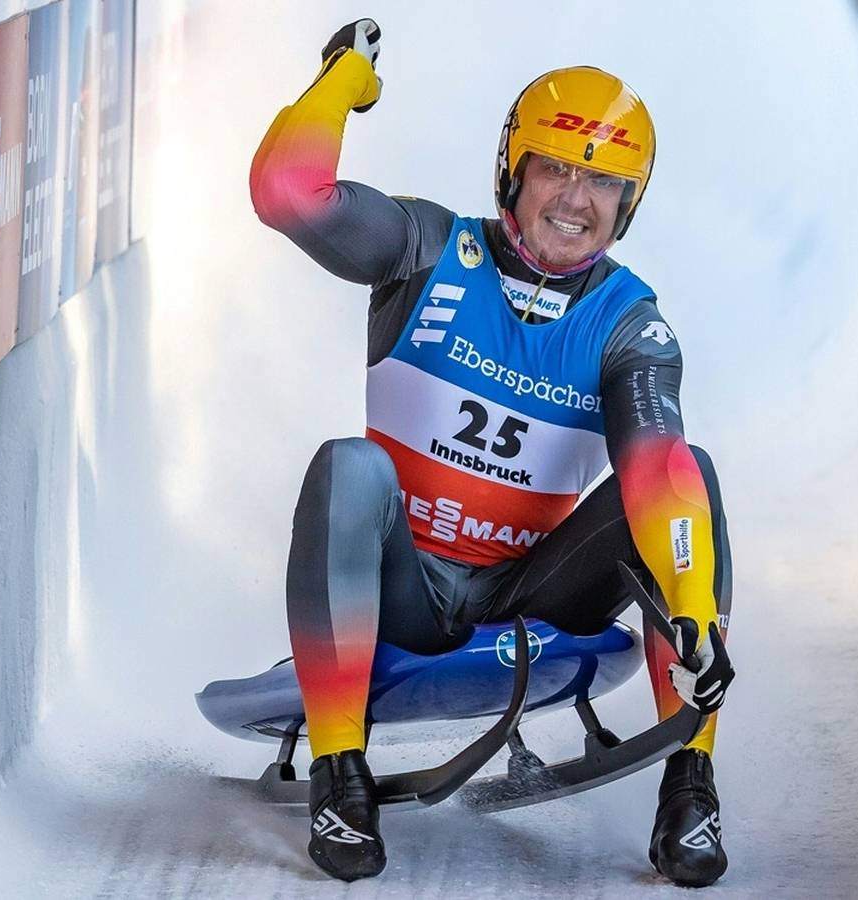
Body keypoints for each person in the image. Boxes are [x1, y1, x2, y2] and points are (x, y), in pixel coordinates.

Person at [250, 19, 736, 888]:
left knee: (691, 473)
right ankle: (340, 775)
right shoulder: (426, 248)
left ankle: (691, 784)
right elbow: (288, 190)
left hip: (533, 593)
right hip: (408, 587)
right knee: (350, 466)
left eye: (604, 182)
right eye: (557, 166)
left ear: (631, 203)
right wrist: (343, 83)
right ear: (514, 170)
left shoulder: (631, 323)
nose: (575, 199)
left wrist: (692, 601)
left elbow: (658, 470)